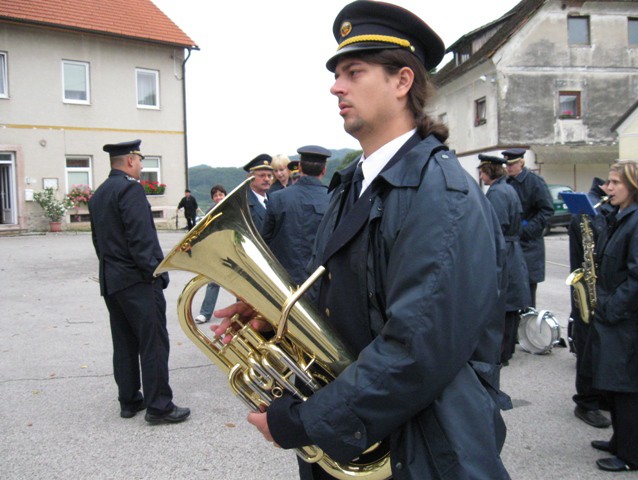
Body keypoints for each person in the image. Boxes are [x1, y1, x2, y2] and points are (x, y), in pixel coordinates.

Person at [214, 2, 511, 478]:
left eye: (354, 71)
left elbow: (415, 349)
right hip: (354, 437)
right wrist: (279, 318)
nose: (335, 86)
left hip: (421, 448)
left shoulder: (444, 193)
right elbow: (341, 292)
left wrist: (308, 420)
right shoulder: (351, 181)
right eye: (337, 73)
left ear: (402, 81)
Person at [88, 139, 190, 424]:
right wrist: (156, 274)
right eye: (141, 160)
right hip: (138, 280)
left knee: (124, 342)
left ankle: (129, 400)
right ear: (131, 160)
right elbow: (141, 239)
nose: (142, 166)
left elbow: (98, 242)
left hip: (112, 280)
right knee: (153, 342)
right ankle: (159, 406)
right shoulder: (130, 189)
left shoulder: (99, 194)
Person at [583, 160, 638, 472]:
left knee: (627, 387)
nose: (608, 187)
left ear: (633, 186)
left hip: (625, 317)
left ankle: (631, 455)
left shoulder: (637, 221)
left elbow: (637, 277)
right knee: (615, 384)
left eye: (616, 182)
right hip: (613, 314)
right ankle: (620, 440)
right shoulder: (619, 216)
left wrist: (611, 308)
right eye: (608, 182)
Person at [569, 177, 613, 428]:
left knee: (600, 348)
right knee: (588, 348)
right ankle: (586, 401)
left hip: (600, 288)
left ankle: (600, 395)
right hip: (588, 289)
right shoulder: (592, 212)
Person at [478, 154, 530, 366]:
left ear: (490, 171)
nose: (480, 176)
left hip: (505, 250)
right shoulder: (506, 188)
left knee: (505, 303)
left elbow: (496, 227)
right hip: (510, 249)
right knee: (509, 303)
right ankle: (505, 351)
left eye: (482, 171)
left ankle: (501, 353)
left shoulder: (498, 192)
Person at [261, 145, 331, 286]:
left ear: (299, 167)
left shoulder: (276, 198)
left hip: (283, 280)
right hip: (320, 282)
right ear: (324, 170)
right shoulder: (334, 198)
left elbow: (264, 239)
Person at [504, 148, 554, 308]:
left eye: (512, 164)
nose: (508, 168)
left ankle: (527, 330)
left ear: (521, 163)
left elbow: (547, 210)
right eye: (507, 164)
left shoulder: (534, 182)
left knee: (527, 298)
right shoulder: (507, 182)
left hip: (529, 247)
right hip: (513, 246)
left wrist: (526, 231)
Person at [194, 185, 227, 324]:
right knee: (213, 283)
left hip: (232, 250)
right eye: (216, 195)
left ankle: (243, 313)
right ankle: (205, 313)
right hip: (217, 251)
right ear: (213, 198)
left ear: (225, 195)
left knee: (241, 285)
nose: (219, 197)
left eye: (221, 194)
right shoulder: (209, 213)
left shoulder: (232, 209)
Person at [243, 153, 273, 231]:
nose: (266, 179)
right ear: (250, 177)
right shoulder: (244, 205)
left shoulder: (274, 200)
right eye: (262, 175)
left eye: (269, 176)